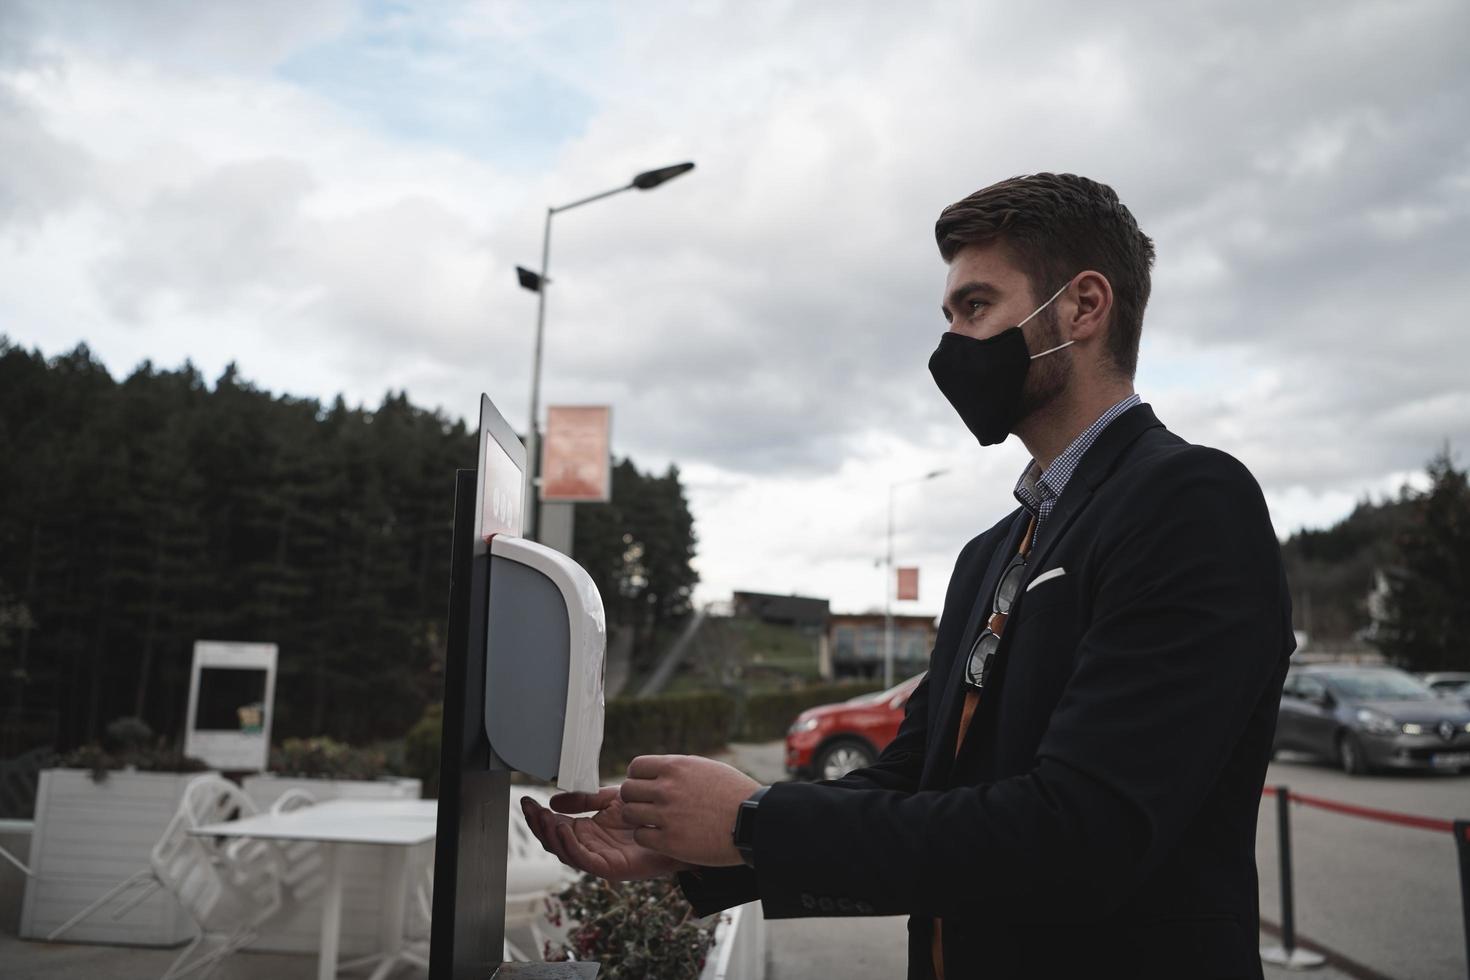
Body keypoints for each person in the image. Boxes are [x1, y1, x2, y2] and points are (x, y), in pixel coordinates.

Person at [522, 173, 1293, 979]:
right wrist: (697, 844)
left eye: (976, 306)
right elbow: (911, 785)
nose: (951, 344)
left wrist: (753, 820)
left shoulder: (1188, 503)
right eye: (949, 313)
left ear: (1084, 307)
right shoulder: (992, 552)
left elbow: (1082, 833)